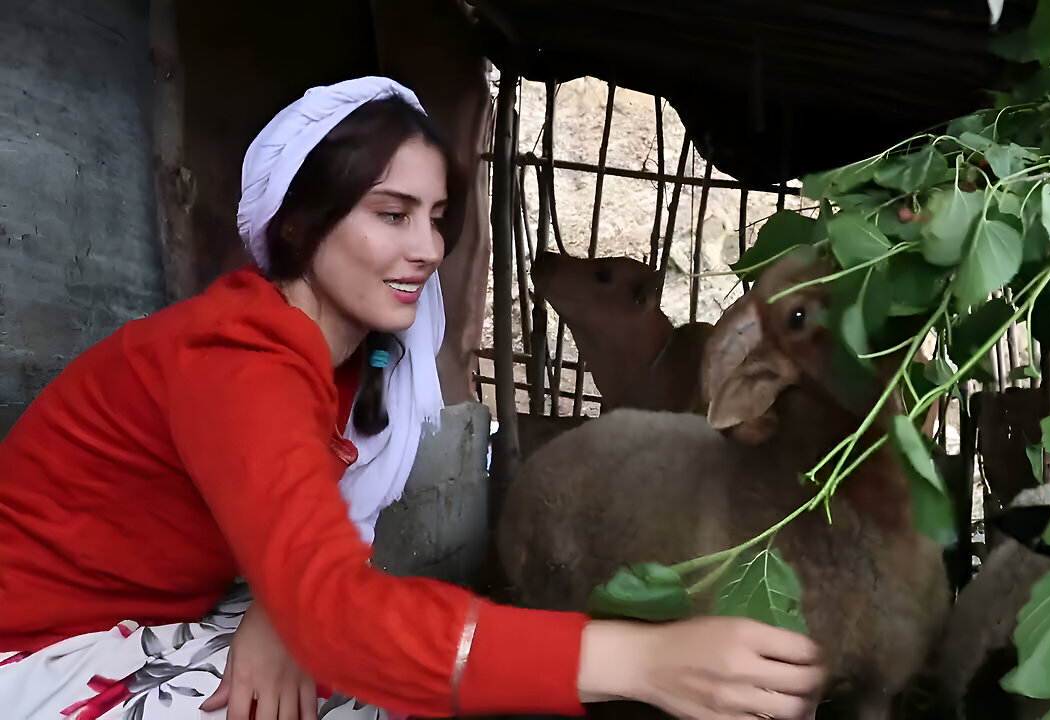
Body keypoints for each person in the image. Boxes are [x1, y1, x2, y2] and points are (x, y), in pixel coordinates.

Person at [0, 77, 825, 720]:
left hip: (149, 615)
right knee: (372, 681)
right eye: (391, 215)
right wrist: (640, 665)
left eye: (437, 217)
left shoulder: (357, 366)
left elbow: (310, 558)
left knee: (391, 677)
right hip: (34, 640)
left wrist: (290, 612)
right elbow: (333, 604)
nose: (428, 248)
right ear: (298, 226)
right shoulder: (236, 362)